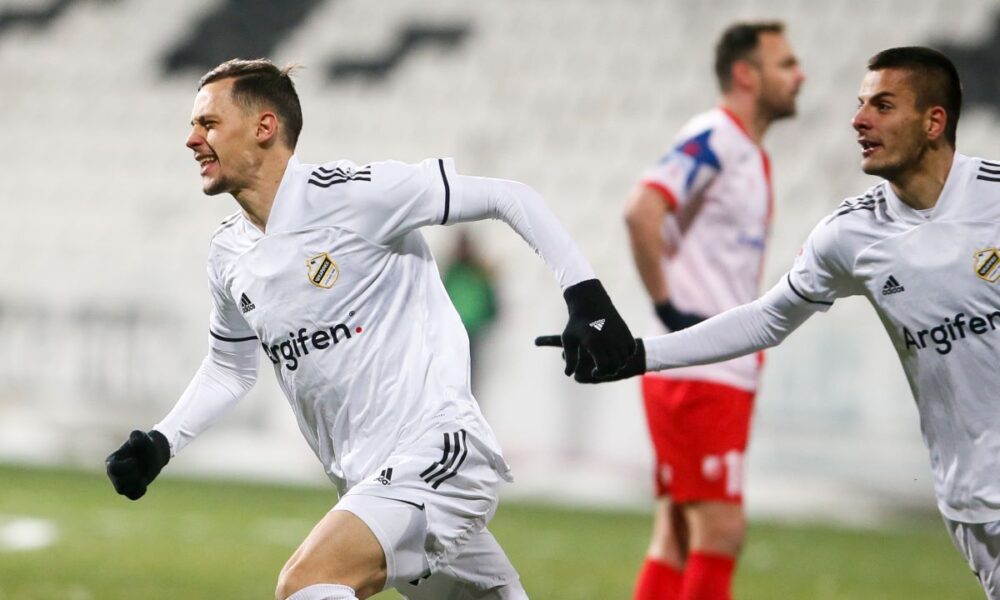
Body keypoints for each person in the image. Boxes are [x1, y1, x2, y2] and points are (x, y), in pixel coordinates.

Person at [103, 58, 637, 600]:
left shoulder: (354, 195)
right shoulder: (228, 253)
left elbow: (509, 196)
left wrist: (586, 298)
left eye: (208, 123)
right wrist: (161, 442)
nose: (192, 139)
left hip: (436, 451)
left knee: (307, 583)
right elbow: (229, 369)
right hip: (368, 482)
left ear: (264, 127)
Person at [539, 46, 1000, 599]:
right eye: (860, 104)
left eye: (882, 105)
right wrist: (639, 354)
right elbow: (766, 319)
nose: (859, 120)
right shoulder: (850, 235)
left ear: (933, 121)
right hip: (968, 500)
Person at [621, 21, 803, 600]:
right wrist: (669, 311)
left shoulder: (747, 151)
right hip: (702, 372)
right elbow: (641, 210)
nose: (799, 76)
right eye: (786, 64)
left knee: (676, 534)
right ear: (746, 75)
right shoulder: (716, 137)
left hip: (714, 369)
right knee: (720, 531)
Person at [442, 231, 499, 391]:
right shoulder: (452, 272)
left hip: (472, 330)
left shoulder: (477, 272)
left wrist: (487, 319)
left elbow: (489, 300)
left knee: (469, 371)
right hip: (455, 330)